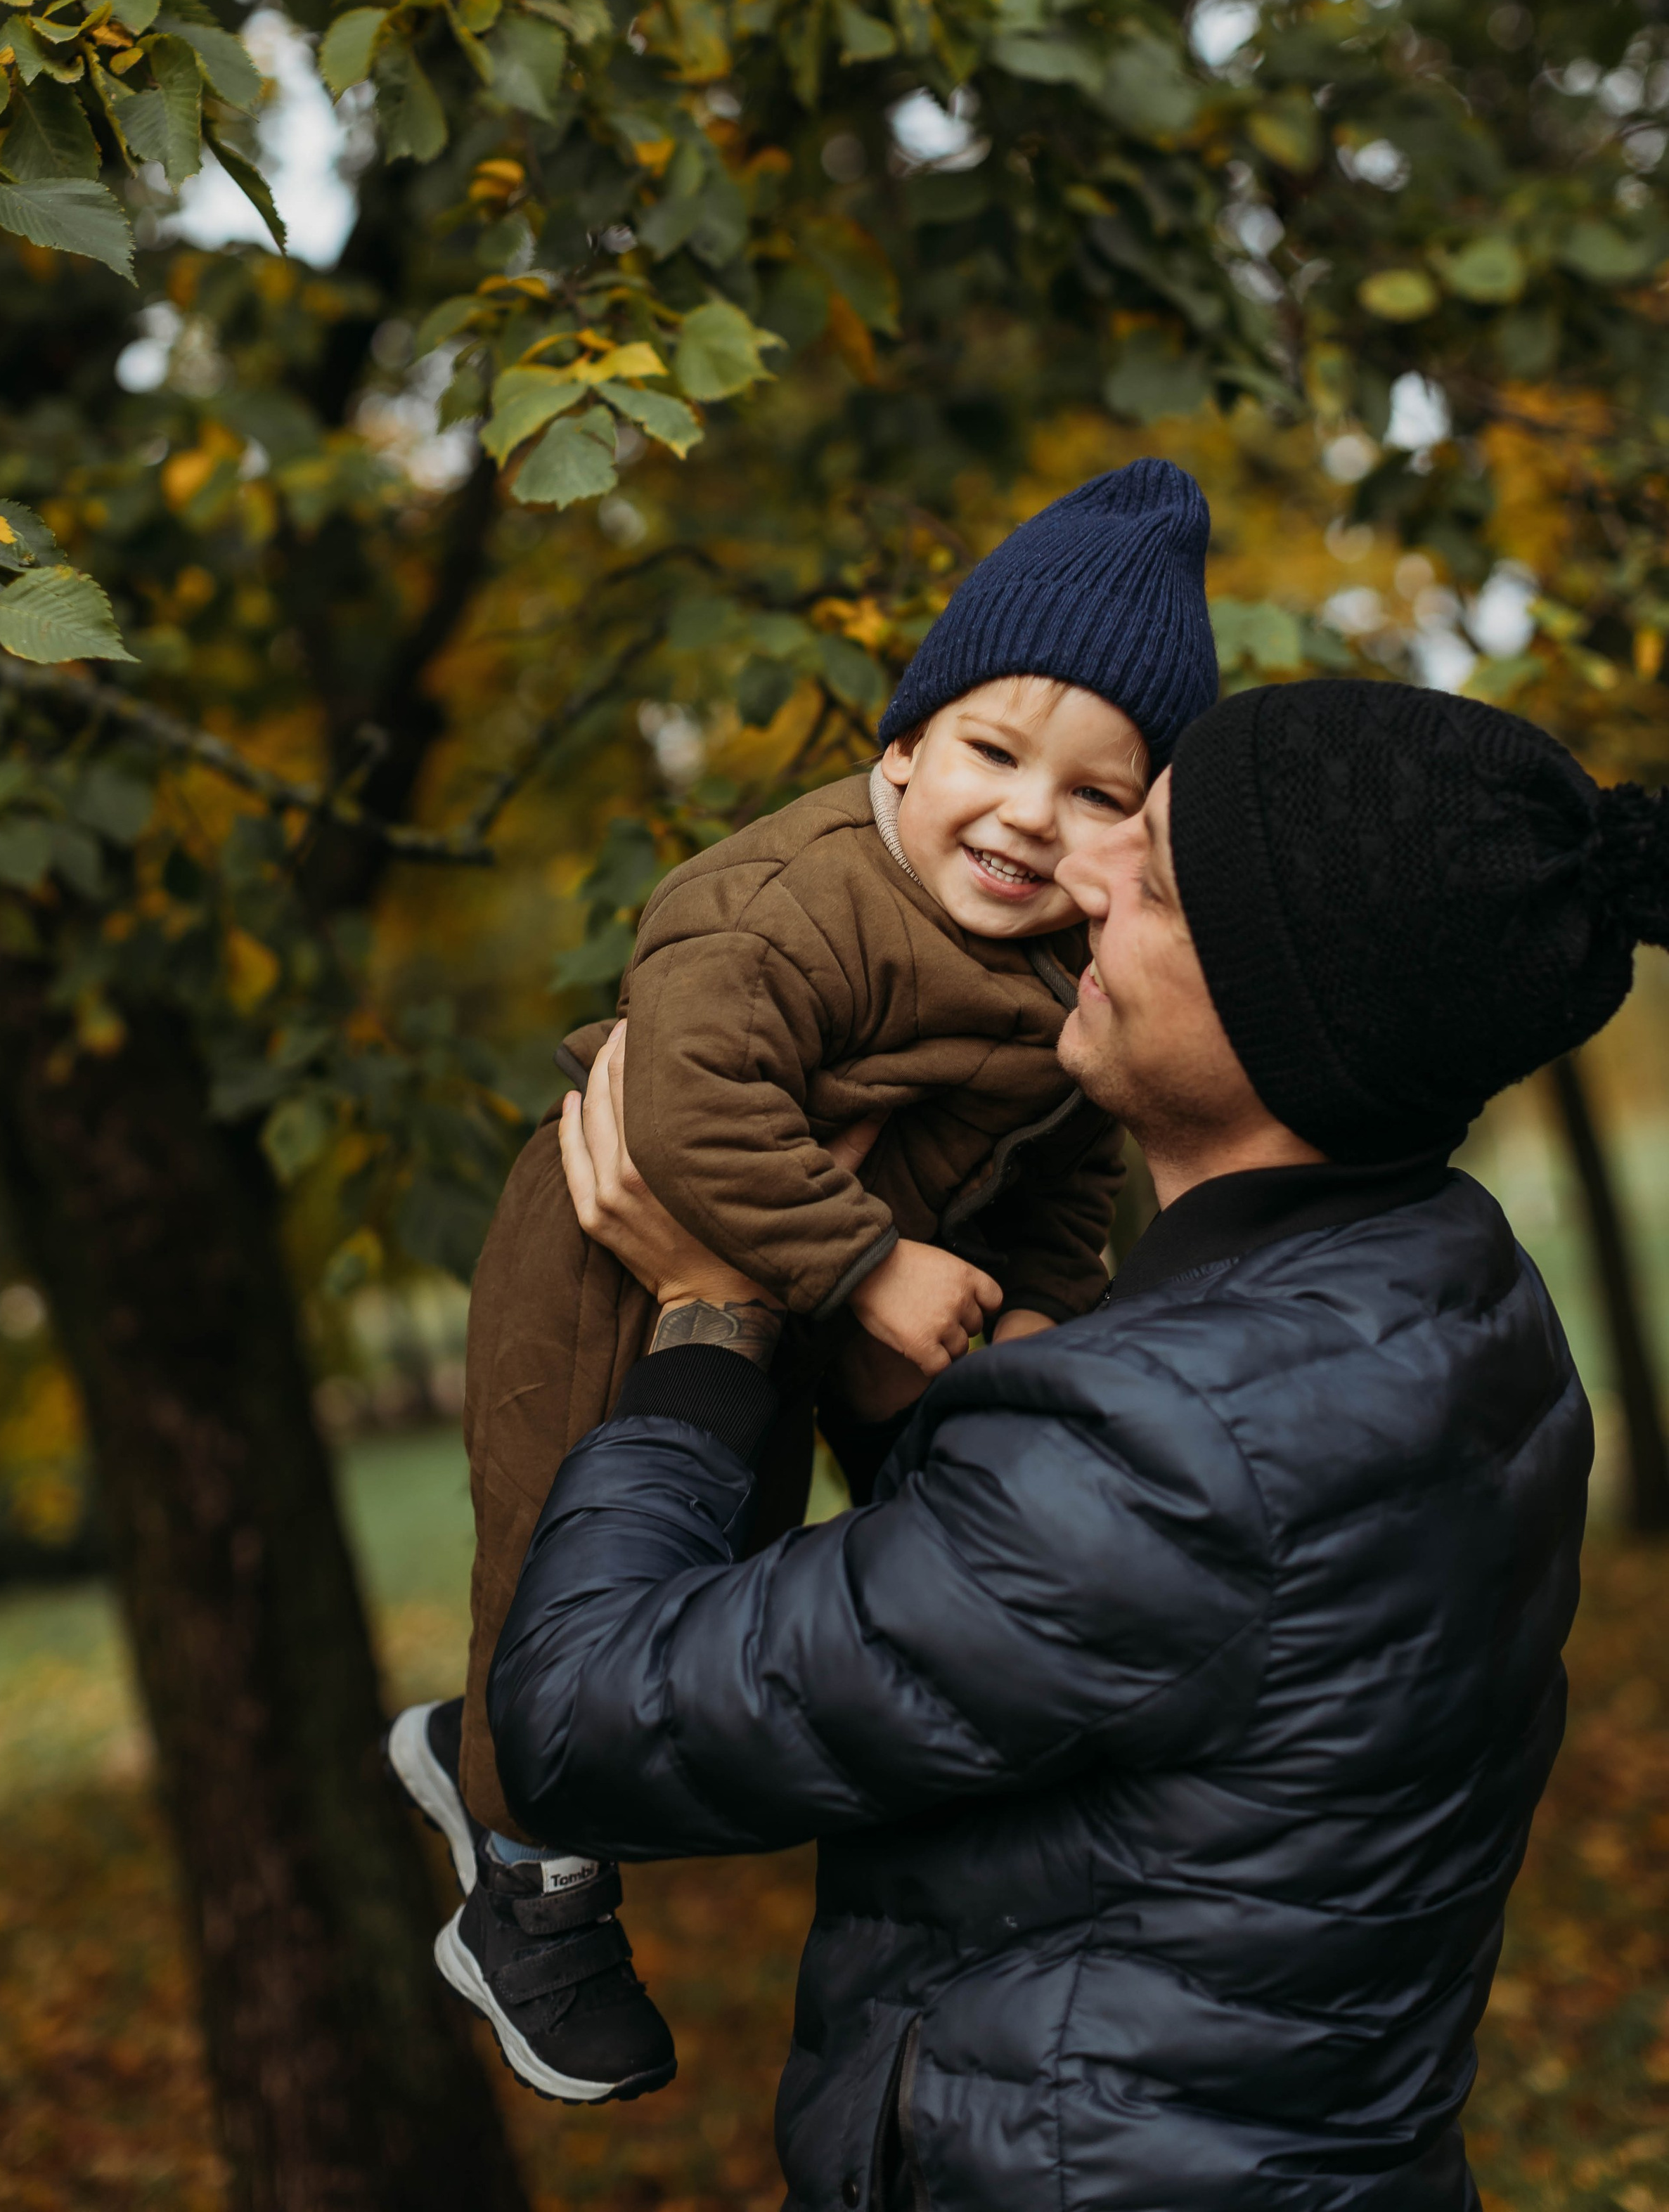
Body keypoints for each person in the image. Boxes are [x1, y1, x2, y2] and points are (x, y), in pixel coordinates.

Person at [480, 678, 1663, 2209]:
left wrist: (713, 1318)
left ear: (1275, 1014)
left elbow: (577, 1729)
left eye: (1151, 870)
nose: (1082, 866)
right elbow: (1035, 1632)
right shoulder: (1453, 1295)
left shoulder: (1170, 1444)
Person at [385, 459, 1220, 2103]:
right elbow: (687, 1107)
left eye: (1093, 794)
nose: (1023, 819)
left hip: (835, 1284)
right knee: (563, 1534)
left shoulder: (1061, 971)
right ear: (898, 745)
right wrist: (865, 1265)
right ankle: (524, 1877)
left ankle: (462, 1746)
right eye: (989, 753)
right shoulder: (788, 903)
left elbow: (1057, 1161)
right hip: (611, 1254)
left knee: (726, 1571)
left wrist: (1048, 1307)